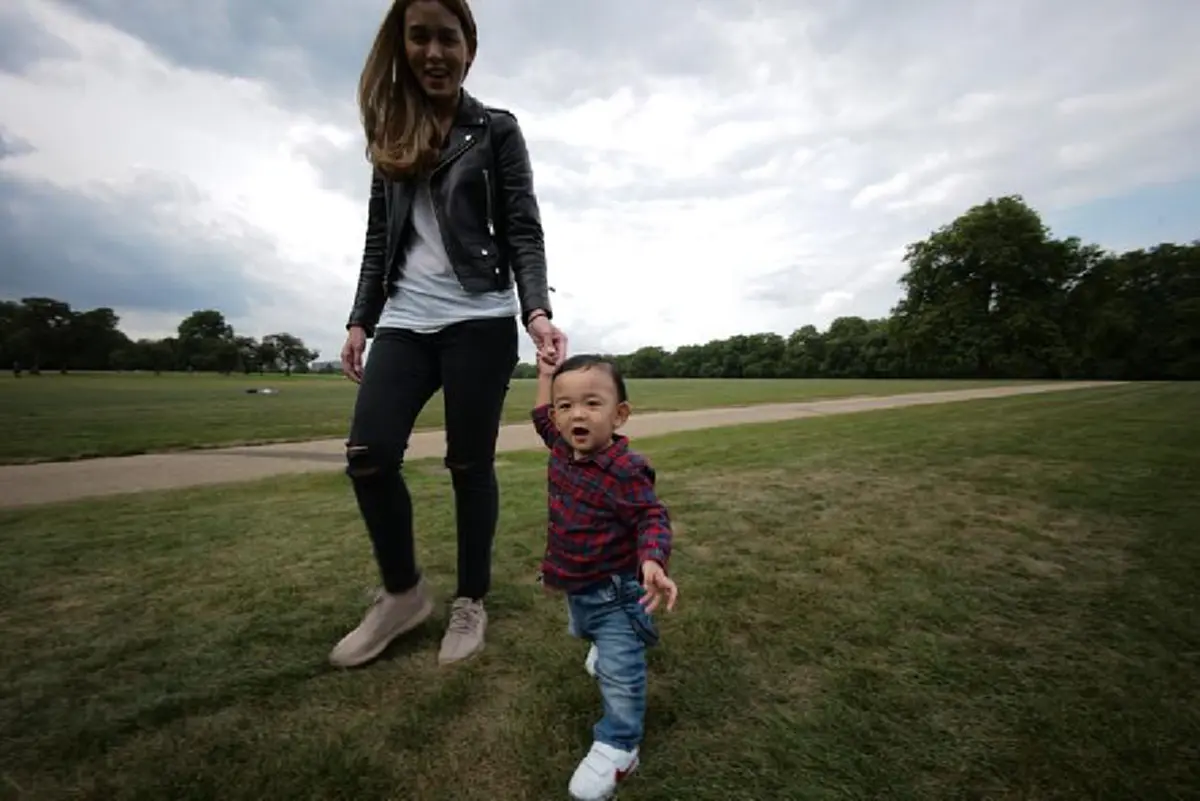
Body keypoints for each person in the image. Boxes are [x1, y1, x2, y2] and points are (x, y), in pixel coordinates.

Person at [331, 0, 566, 669]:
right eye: (419, 37)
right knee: (369, 453)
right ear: (402, 46)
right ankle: (403, 594)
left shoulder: (495, 129)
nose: (433, 51)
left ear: (470, 46)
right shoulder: (392, 135)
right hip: (405, 319)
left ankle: (471, 601)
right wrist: (360, 319)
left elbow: (523, 228)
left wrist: (536, 311)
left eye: (447, 38)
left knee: (470, 464)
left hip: (481, 319)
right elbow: (379, 239)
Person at [532, 353, 680, 801]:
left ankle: (619, 744)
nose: (576, 413)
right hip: (577, 586)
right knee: (586, 631)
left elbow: (651, 516)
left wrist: (652, 559)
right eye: (566, 405)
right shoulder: (561, 445)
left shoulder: (624, 469)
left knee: (620, 672)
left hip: (616, 591)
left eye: (592, 403)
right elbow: (541, 416)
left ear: (619, 415)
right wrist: (544, 375)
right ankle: (615, 640)